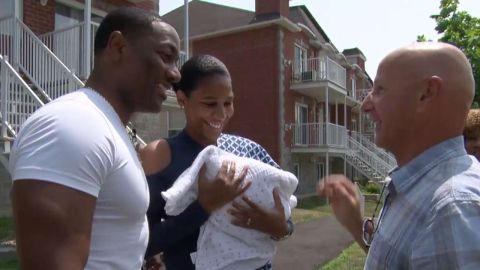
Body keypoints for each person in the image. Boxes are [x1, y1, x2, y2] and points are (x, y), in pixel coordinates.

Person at [8, 7, 181, 270]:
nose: (175, 73)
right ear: (118, 46)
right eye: (166, 56)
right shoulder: (73, 125)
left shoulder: (104, 125)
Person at [318, 42, 480, 269]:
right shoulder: (423, 188)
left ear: (426, 94)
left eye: (380, 90)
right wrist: (356, 223)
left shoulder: (451, 210)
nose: (365, 105)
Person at [140, 55, 294, 270]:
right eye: (210, 103)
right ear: (183, 99)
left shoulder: (248, 152)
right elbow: (139, 242)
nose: (221, 113)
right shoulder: (159, 155)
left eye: (228, 103)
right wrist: (203, 207)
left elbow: (285, 220)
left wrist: (280, 228)